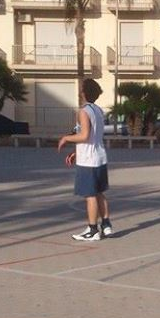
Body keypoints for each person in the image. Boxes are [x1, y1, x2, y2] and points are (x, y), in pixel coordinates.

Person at [57, 79, 113, 241]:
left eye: (81, 88)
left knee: (90, 195)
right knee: (99, 192)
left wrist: (66, 138)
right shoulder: (98, 110)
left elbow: (84, 135)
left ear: (84, 92)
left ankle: (92, 229)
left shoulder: (83, 112)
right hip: (99, 156)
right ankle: (106, 224)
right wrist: (76, 152)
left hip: (88, 160)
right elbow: (92, 137)